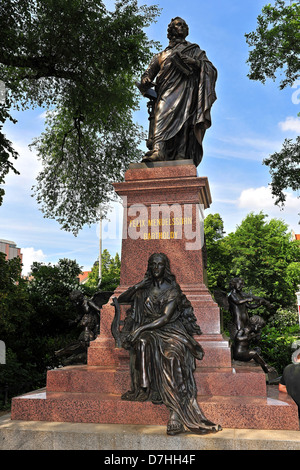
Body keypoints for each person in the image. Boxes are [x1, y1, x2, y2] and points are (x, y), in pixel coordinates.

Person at [117, 252, 222, 435]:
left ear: (165, 268)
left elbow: (165, 317)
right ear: (149, 267)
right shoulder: (144, 289)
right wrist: (138, 285)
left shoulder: (172, 289)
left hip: (170, 329)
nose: (156, 268)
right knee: (142, 343)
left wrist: (140, 329)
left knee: (172, 356)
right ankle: (145, 387)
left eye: (160, 264)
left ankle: (175, 412)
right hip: (149, 331)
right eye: (153, 264)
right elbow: (121, 300)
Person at [139, 17, 217, 166]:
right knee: (161, 115)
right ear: (171, 29)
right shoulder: (161, 55)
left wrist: (195, 62)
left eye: (183, 25)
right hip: (165, 94)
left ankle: (181, 155)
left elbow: (210, 69)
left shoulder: (194, 51)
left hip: (187, 93)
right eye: (178, 25)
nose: (182, 27)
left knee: (185, 123)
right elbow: (147, 74)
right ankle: (158, 150)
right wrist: (145, 80)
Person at [279, 348, 300, 419]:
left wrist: (293, 391)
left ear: (295, 358)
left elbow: (281, 387)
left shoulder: (287, 368)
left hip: (293, 411)